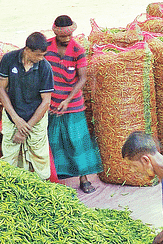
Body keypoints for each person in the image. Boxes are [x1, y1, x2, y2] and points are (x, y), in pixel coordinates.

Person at [45, 15, 103, 193]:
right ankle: (56, 179)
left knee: (78, 142)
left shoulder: (77, 50)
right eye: (63, 37)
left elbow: (82, 78)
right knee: (54, 141)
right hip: (52, 103)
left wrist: (67, 100)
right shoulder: (46, 47)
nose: (67, 39)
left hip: (73, 104)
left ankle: (84, 179)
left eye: (69, 36)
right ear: (56, 34)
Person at [0, 32, 54, 180]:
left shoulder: (45, 67)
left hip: (36, 118)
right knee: (9, 157)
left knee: (39, 156)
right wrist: (16, 120)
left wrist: (24, 129)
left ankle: (44, 189)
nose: (41, 58)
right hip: (12, 115)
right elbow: (1, 89)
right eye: (39, 55)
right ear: (27, 50)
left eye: (43, 55)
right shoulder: (9, 60)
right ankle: (11, 190)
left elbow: (46, 102)